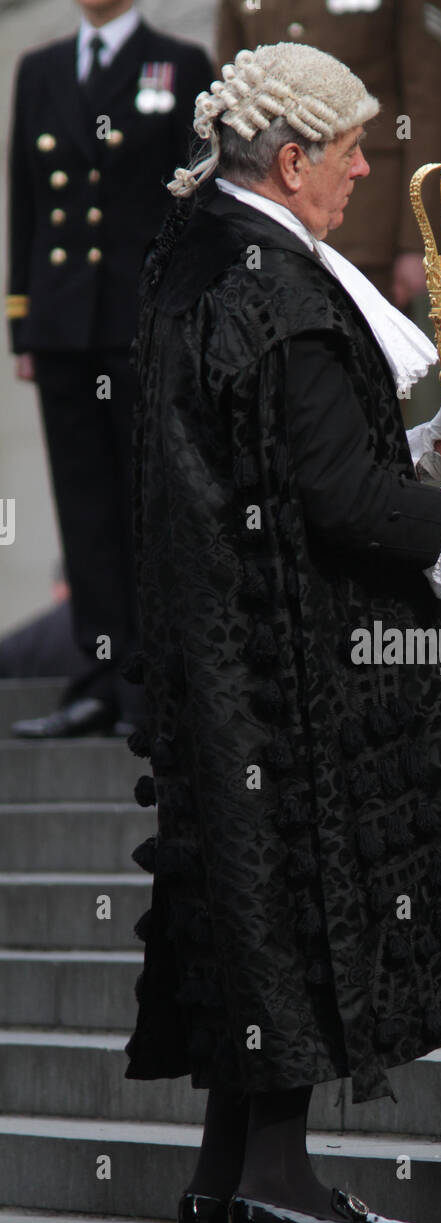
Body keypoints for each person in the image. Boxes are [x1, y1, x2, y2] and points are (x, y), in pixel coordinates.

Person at [121, 42, 441, 1223]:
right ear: (292, 157)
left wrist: (409, 452)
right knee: (296, 906)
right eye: (353, 151)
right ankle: (269, 1175)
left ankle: (235, 1179)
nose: (367, 170)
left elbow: (283, 454)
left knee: (254, 913)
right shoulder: (274, 284)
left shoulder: (202, 255)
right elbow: (333, 497)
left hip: (230, 663)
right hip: (286, 673)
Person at [5, 0, 214, 736]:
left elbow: (195, 201)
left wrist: (185, 313)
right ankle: (97, 679)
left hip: (141, 319)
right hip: (64, 322)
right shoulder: (40, 68)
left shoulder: (180, 64)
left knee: (145, 505)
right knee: (84, 511)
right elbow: (25, 195)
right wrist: (23, 319)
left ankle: (153, 686)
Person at [214, 0, 441, 306]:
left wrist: (419, 239)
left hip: (366, 222)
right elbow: (231, 99)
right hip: (268, 212)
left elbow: (429, 106)